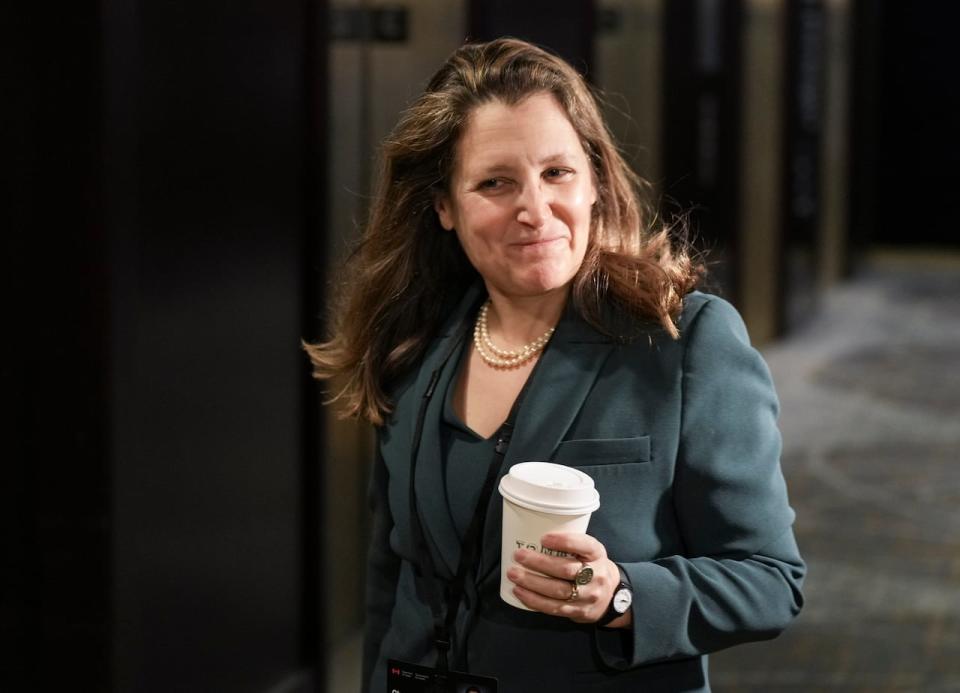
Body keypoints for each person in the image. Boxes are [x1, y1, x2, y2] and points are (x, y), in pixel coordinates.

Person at [306, 38, 804, 693]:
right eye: (495, 182)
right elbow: (392, 579)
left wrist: (621, 594)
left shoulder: (686, 342)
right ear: (444, 206)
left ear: (595, 180)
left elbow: (770, 579)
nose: (534, 210)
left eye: (557, 173)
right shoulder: (414, 345)